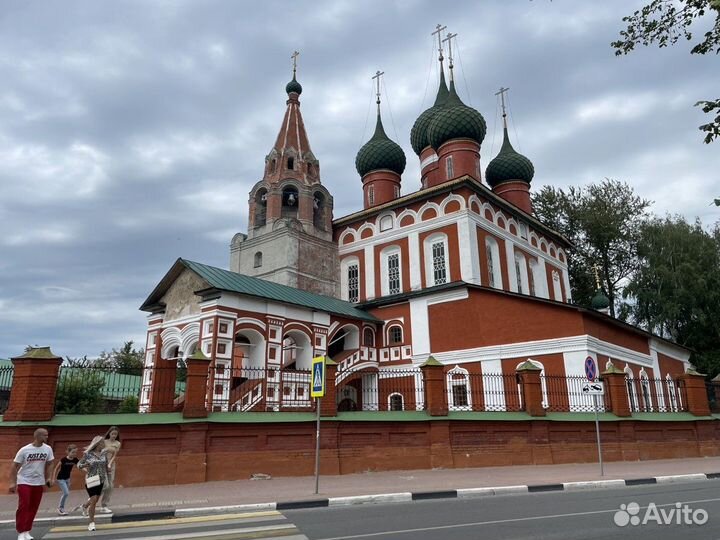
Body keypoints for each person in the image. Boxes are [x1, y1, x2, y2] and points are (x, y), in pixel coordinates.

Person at [8, 427, 55, 540]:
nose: (47, 437)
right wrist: (12, 483)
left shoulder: (47, 449)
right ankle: (20, 531)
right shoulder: (25, 450)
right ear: (37, 436)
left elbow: (50, 463)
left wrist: (49, 477)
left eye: (47, 435)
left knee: (33, 507)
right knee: (24, 505)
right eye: (45, 435)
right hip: (24, 480)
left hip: (38, 482)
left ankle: (27, 531)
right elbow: (14, 466)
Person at [76, 436, 108, 532]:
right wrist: (85, 466)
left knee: (96, 499)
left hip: (101, 479)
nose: (104, 444)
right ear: (97, 443)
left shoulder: (104, 454)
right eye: (102, 442)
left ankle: (84, 506)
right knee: (93, 500)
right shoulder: (88, 454)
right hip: (91, 479)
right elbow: (79, 465)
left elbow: (105, 465)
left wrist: (108, 469)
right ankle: (91, 523)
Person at [98, 426, 121, 513]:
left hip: (111, 465)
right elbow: (99, 453)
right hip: (102, 464)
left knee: (110, 486)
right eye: (112, 434)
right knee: (104, 485)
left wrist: (110, 464)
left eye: (115, 434)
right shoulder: (104, 442)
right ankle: (92, 500)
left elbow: (115, 455)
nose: (114, 435)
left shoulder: (117, 443)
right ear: (109, 433)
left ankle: (104, 505)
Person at [52, 444, 78, 516]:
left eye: (75, 452)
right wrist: (53, 478)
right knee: (66, 493)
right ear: (68, 452)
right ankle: (60, 508)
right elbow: (56, 469)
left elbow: (80, 466)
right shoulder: (63, 459)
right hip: (61, 479)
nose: (74, 454)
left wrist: (87, 470)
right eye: (73, 452)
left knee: (65, 494)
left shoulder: (75, 460)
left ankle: (62, 508)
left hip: (67, 479)